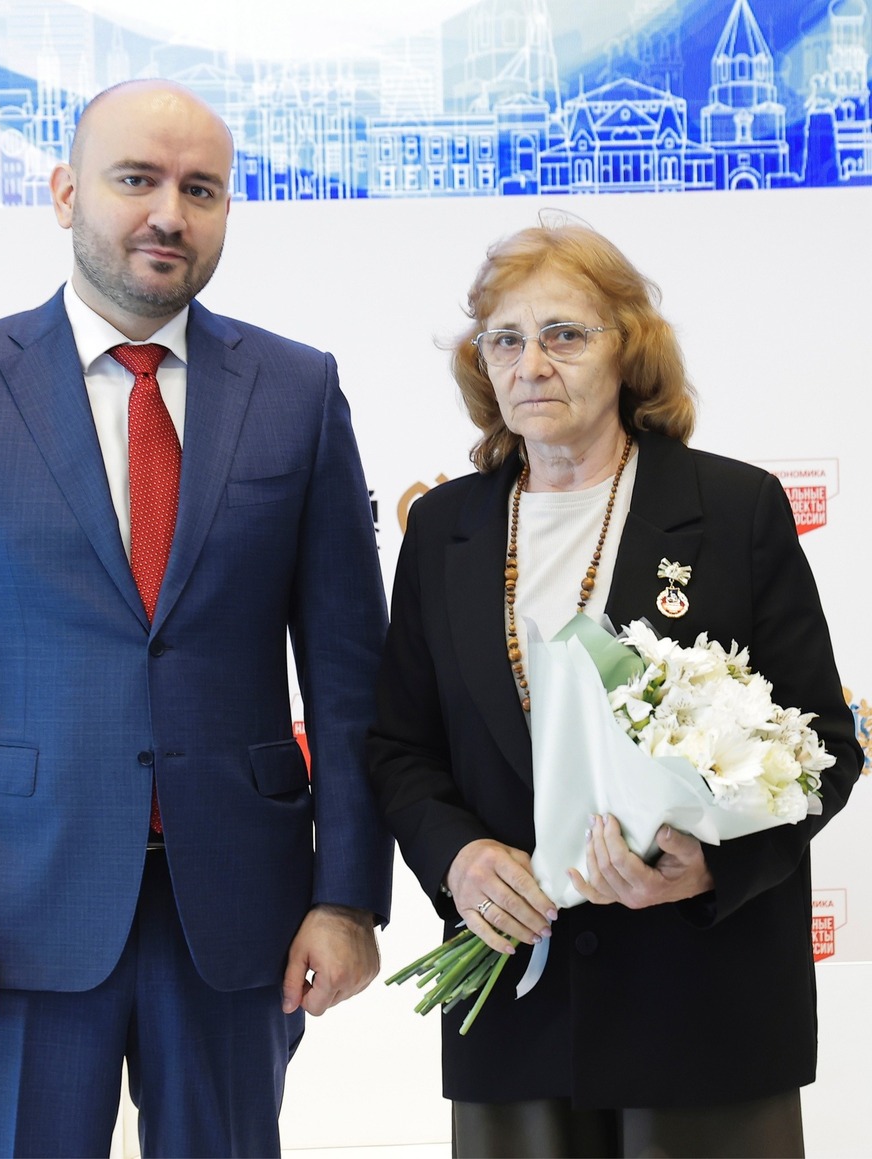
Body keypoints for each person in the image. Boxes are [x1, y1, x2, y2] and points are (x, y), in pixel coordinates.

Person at [0, 79, 392, 1159]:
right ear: (65, 193)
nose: (168, 214)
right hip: (12, 917)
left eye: (201, 190)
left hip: (238, 913)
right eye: (136, 179)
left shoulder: (298, 389)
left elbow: (350, 678)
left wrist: (348, 897)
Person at [368, 222, 861, 1159]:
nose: (532, 364)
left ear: (629, 350)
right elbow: (400, 745)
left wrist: (711, 867)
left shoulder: (737, 509)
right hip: (514, 1003)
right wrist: (459, 859)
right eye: (506, 339)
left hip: (703, 1004)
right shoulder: (441, 530)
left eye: (565, 334)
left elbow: (827, 746)